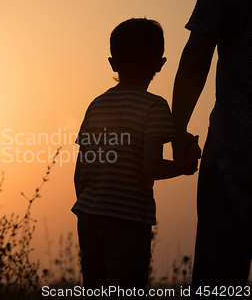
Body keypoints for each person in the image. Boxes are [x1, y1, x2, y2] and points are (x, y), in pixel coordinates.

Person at [73, 18, 200, 297]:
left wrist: (91, 204)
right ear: (160, 63)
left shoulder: (96, 104)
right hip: (128, 220)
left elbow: (81, 169)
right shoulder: (154, 106)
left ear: (112, 62)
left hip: (89, 216)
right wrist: (186, 166)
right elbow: (151, 167)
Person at [172, 0, 252, 297]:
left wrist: (177, 131)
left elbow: (198, 54)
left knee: (218, 282)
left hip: (234, 142)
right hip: (231, 145)